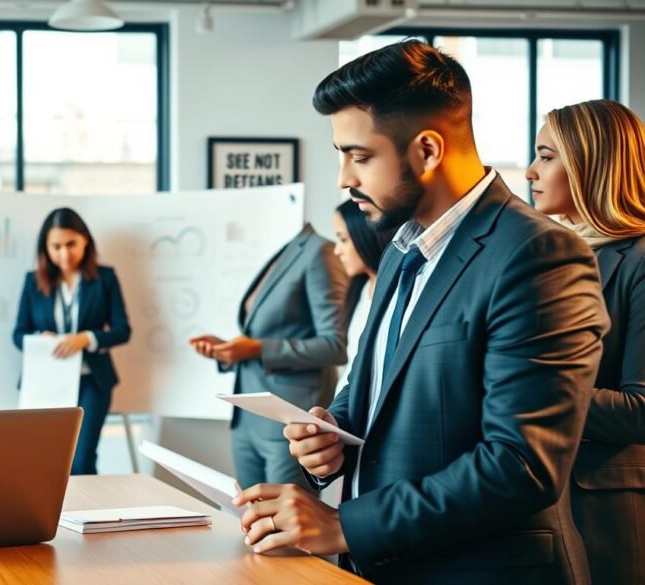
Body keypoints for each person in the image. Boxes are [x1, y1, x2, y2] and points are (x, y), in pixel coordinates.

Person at [234, 40, 609, 584]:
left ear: (428, 151)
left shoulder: (538, 255)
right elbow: (375, 383)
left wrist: (343, 526)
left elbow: (521, 465)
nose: (344, 178)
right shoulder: (401, 249)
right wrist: (333, 430)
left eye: (359, 156)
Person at [525, 98, 645, 585]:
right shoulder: (550, 255)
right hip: (536, 502)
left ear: (591, 164)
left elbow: (641, 409)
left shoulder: (638, 261)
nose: (531, 171)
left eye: (546, 156)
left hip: (606, 508)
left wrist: (528, 392)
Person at [189, 223, 348, 491]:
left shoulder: (319, 252)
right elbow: (270, 333)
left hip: (287, 421)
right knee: (249, 517)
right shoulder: (284, 251)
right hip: (248, 419)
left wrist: (257, 348)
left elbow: (334, 346)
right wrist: (228, 350)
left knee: (288, 525)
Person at [12, 207, 130, 475]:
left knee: (82, 459)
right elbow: (18, 334)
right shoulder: (33, 281)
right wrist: (38, 340)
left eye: (71, 244)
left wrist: (86, 338)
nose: (64, 254)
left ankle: (84, 516)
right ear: (45, 247)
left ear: (85, 240)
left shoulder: (105, 278)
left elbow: (123, 330)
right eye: (56, 247)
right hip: (46, 384)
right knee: (46, 460)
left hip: (92, 382)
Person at [331, 199, 394, 396]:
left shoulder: (396, 292)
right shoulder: (360, 288)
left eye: (342, 239)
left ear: (365, 235)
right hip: (343, 409)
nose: (336, 250)